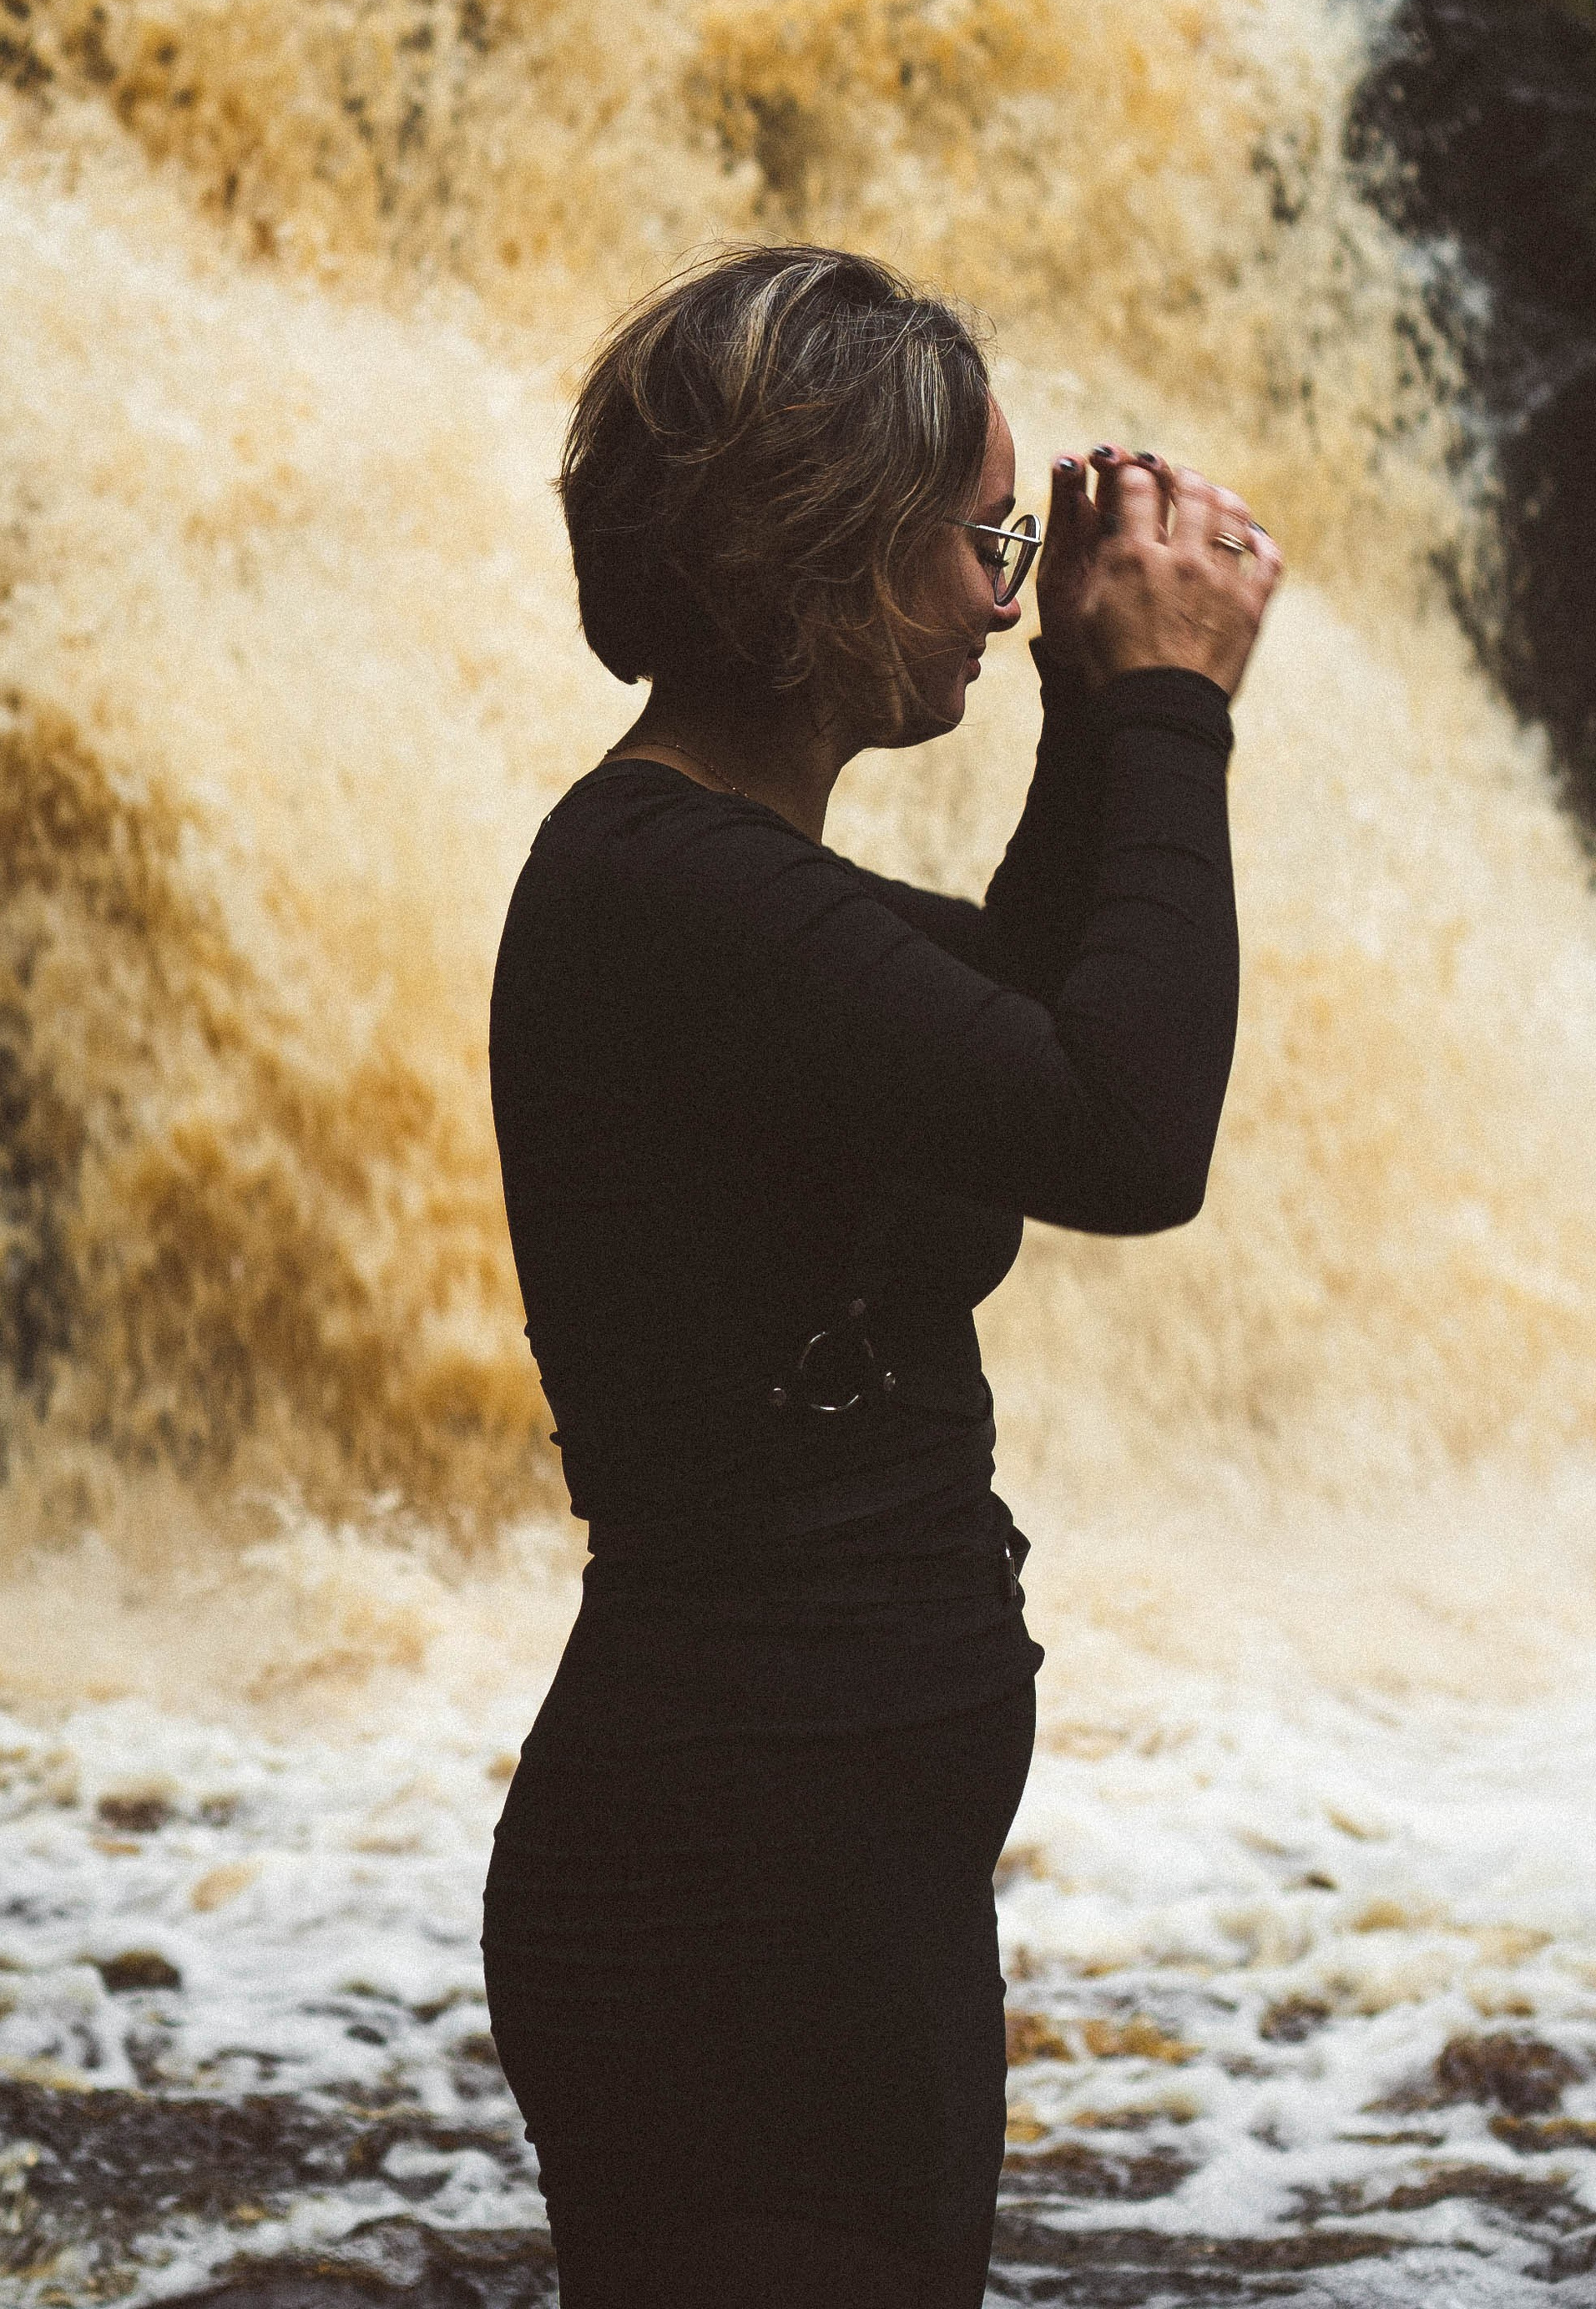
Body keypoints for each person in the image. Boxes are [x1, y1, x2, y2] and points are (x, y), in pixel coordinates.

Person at [482, 245, 1280, 2309]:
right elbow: (1121, 1132)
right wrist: (1170, 716)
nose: (1007, 596)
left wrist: (1095, 717)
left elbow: (1021, 1010)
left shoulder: (724, 891)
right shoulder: (663, 894)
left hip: (819, 1857)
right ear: (823, 545)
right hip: (727, 1884)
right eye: (977, 542)